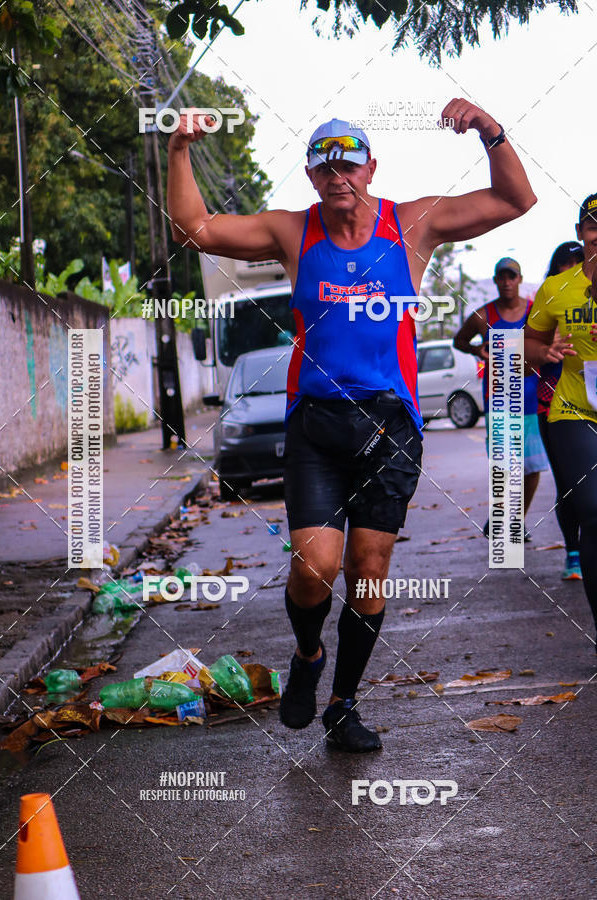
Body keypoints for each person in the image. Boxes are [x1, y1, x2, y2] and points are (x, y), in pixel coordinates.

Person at [167, 102, 536, 751]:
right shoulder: (292, 231)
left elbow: (516, 198)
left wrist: (489, 129)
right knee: (315, 566)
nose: (339, 175)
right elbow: (195, 228)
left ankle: (342, 704)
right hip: (316, 423)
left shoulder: (412, 224)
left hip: (391, 425)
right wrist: (178, 150)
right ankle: (308, 657)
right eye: (325, 165)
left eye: (349, 163)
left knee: (368, 570)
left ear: (370, 168)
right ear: (312, 176)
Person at [525, 194, 597, 653]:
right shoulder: (557, 286)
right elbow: (526, 342)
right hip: (573, 410)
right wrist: (544, 353)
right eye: (594, 227)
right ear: (580, 233)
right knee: (591, 510)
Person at [454, 257, 548, 541]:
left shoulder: (535, 313)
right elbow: (459, 340)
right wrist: (477, 350)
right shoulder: (483, 316)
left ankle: (516, 520)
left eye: (512, 276)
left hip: (530, 398)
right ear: (496, 280)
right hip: (498, 401)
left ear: (519, 279)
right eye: (502, 277)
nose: (507, 282)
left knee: (531, 467)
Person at [536, 241, 584, 580]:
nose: (573, 272)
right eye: (565, 266)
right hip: (554, 406)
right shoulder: (548, 300)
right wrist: (544, 350)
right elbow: (521, 359)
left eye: (578, 264)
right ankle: (574, 553)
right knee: (569, 483)